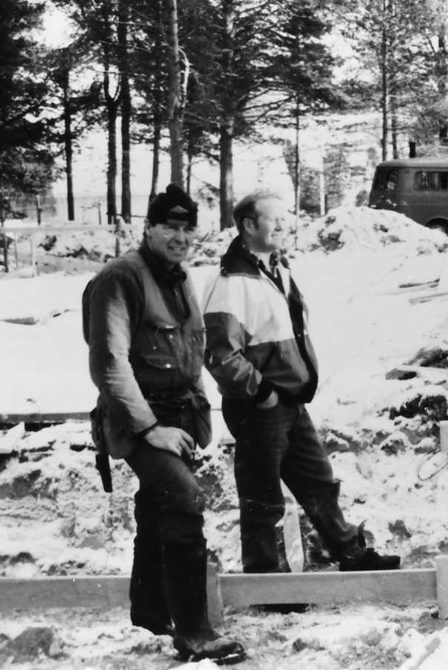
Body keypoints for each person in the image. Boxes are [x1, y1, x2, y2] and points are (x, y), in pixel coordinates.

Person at [202, 191, 400, 604]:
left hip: (289, 402)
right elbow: (220, 355)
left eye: (283, 219)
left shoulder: (277, 268)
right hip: (261, 406)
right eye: (273, 220)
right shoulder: (230, 283)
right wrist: (264, 394)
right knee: (263, 499)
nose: (282, 227)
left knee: (318, 482)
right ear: (249, 226)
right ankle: (267, 587)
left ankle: (351, 553)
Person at [83, 184, 246, 664]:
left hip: (179, 417)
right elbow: (109, 364)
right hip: (136, 419)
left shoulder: (179, 278)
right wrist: (151, 428)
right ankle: (195, 633)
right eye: (168, 227)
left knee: (159, 504)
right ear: (147, 228)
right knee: (184, 499)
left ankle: (152, 612)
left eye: (186, 228)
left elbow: (190, 351)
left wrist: (194, 416)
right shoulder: (120, 278)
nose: (179, 236)